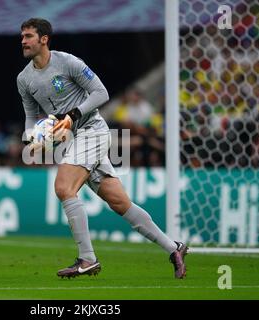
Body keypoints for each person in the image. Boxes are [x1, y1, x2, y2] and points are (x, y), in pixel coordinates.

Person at [17, 18, 188, 279]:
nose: (23, 41)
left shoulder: (68, 62)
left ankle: (87, 259)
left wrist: (73, 114)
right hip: (71, 141)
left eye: (28, 36)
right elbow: (31, 116)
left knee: (63, 187)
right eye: (22, 37)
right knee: (119, 202)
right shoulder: (24, 78)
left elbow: (101, 93)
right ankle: (173, 247)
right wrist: (32, 138)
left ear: (44, 39)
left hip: (92, 131)